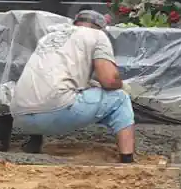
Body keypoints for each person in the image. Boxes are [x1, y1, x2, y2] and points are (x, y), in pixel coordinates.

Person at [8, 9, 135, 162]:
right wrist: (122, 86)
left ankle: (33, 143)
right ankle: (127, 159)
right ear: (99, 28)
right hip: (55, 113)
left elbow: (52, 76)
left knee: (43, 89)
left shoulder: (50, 37)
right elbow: (109, 80)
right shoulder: (97, 35)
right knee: (120, 98)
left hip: (20, 117)